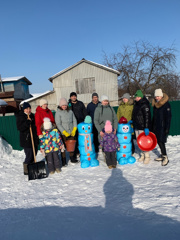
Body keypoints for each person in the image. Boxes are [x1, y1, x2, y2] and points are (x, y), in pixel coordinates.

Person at [16, 102, 39, 175]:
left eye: (29, 108)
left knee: (34, 153)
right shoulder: (21, 117)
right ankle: (26, 170)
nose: (28, 110)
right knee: (29, 155)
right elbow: (20, 128)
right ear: (24, 110)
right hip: (26, 140)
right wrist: (27, 122)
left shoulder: (32, 116)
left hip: (33, 139)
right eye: (26, 109)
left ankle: (32, 168)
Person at [152, 89, 171, 166]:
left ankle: (165, 157)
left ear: (162, 96)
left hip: (163, 126)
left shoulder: (166, 104)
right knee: (158, 141)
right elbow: (154, 117)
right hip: (156, 126)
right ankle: (162, 155)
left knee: (161, 141)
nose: (157, 98)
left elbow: (168, 117)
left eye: (158, 96)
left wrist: (167, 128)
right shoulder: (156, 105)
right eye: (156, 96)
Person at [55, 98, 78, 164]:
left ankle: (72, 158)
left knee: (71, 145)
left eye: (65, 105)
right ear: (60, 106)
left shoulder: (70, 111)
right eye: (63, 105)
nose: (64, 106)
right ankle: (64, 160)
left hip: (71, 131)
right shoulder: (58, 113)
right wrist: (64, 132)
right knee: (63, 147)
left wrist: (74, 129)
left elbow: (74, 120)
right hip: (63, 133)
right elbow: (58, 124)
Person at [132, 90, 151, 164]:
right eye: (135, 97)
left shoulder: (145, 104)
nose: (136, 98)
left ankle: (147, 156)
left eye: (137, 97)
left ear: (140, 97)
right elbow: (135, 115)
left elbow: (147, 117)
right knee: (139, 142)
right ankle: (142, 154)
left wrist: (146, 127)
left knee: (144, 142)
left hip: (142, 127)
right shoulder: (136, 105)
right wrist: (133, 121)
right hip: (137, 126)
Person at [68, 92, 87, 159]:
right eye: (72, 96)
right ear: (70, 97)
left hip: (81, 123)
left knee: (81, 138)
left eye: (74, 96)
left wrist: (86, 121)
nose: (74, 97)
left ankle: (82, 151)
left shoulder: (80, 103)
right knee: (74, 138)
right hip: (73, 124)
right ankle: (75, 152)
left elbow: (84, 112)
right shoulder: (69, 105)